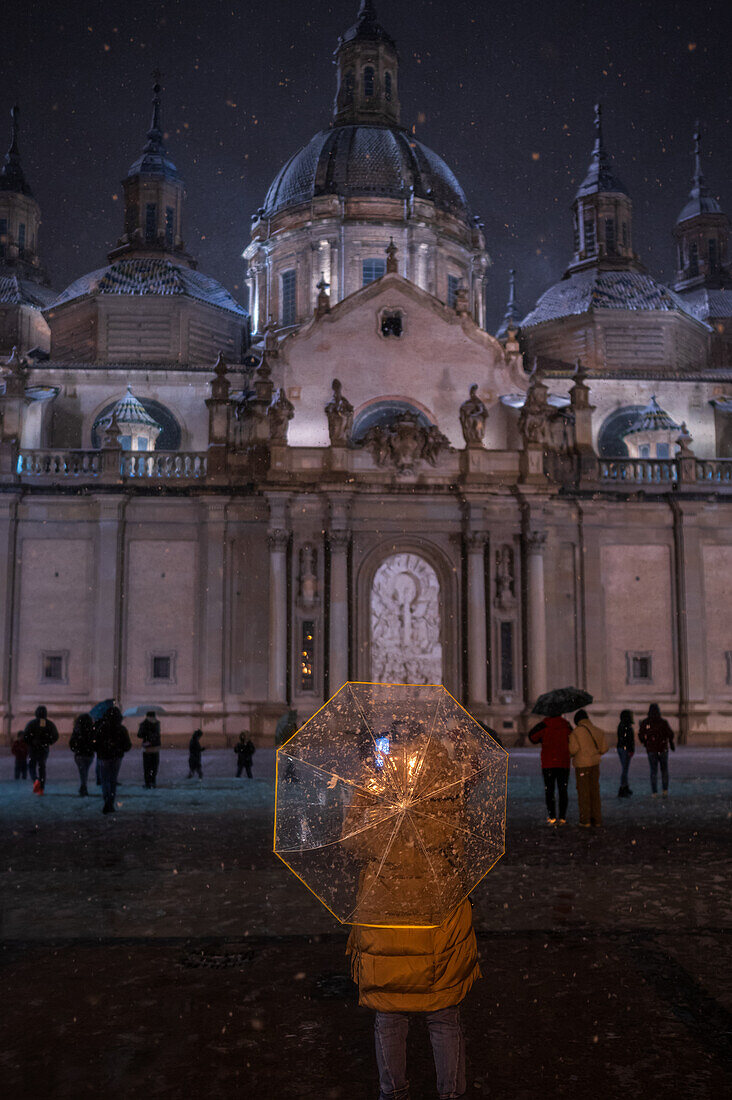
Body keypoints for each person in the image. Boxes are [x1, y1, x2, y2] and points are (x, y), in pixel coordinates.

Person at [528, 713, 572, 824]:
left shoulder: (543, 725)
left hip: (548, 763)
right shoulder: (566, 725)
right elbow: (572, 738)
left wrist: (543, 740)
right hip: (563, 762)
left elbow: (532, 737)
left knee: (549, 791)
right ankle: (562, 817)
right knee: (563, 791)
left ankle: (552, 816)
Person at [569, 709, 608, 827]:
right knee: (595, 792)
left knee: (583, 793)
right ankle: (597, 819)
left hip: (581, 766)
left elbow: (573, 750)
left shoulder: (575, 732)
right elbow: (604, 748)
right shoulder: (597, 731)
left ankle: (585, 819)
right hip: (595, 765)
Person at [95, 706, 131, 814]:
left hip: (104, 757)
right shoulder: (121, 729)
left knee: (105, 780)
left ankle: (107, 800)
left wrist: (102, 749)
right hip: (116, 757)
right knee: (113, 780)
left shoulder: (102, 728)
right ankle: (110, 801)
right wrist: (118, 748)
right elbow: (127, 745)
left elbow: (96, 743)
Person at [638, 703, 675, 797]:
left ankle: (654, 792)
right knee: (664, 771)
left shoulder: (646, 722)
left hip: (652, 749)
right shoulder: (663, 722)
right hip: (662, 749)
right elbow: (670, 734)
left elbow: (641, 735)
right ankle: (665, 791)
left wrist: (646, 742)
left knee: (653, 771)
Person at [23, 705, 59, 794]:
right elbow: (55, 736)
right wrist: (48, 742)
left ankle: (35, 780)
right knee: (42, 767)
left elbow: (25, 736)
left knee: (31, 766)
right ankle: (42, 788)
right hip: (44, 749)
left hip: (33, 749)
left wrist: (31, 743)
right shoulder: (49, 724)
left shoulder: (31, 723)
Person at [69, 712, 96, 796]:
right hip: (89, 754)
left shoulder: (77, 730)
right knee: (85, 770)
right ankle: (83, 785)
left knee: (82, 771)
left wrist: (75, 749)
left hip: (79, 753)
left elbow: (72, 742)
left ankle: (83, 786)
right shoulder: (92, 730)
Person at [137, 710, 162, 789]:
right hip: (152, 748)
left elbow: (140, 735)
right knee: (151, 767)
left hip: (150, 748)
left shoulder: (147, 724)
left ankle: (149, 782)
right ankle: (151, 782)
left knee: (150, 767)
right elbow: (157, 736)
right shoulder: (155, 724)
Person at [616, 710, 635, 798]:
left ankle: (625, 786)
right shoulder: (627, 726)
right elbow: (629, 740)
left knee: (625, 768)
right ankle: (623, 787)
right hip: (625, 749)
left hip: (621, 748)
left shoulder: (621, 725)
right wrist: (631, 750)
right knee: (625, 769)